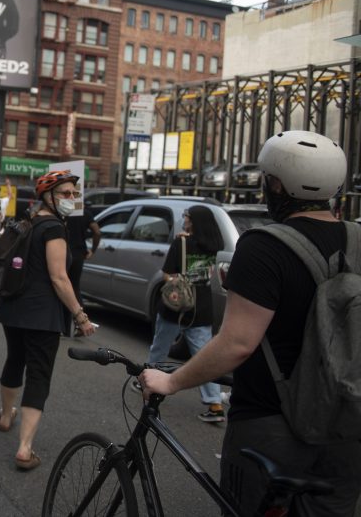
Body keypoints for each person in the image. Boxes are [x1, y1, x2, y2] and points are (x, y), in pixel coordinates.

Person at [140, 131, 361, 516]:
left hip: (270, 423)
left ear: (276, 185)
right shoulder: (358, 239)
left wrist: (171, 381)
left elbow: (237, 344)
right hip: (346, 424)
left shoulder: (264, 246)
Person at [0, 170, 95, 471]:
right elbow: (59, 278)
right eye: (65, 193)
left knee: (15, 360)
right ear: (48, 196)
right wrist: (80, 315)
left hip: (13, 308)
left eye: (74, 194)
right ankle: (24, 449)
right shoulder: (54, 228)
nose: (71, 199)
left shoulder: (30, 221)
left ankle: (5, 416)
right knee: (38, 374)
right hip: (42, 314)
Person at [144, 205, 226, 422]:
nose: (184, 219)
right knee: (204, 355)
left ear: (194, 221)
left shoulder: (180, 243)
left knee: (160, 346)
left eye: (186, 216)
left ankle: (147, 382)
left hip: (176, 305)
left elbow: (167, 274)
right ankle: (215, 402)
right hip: (201, 307)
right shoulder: (215, 244)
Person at [64, 209, 101, 307]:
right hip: (78, 254)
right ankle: (79, 313)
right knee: (75, 286)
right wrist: (93, 250)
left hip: (62, 253)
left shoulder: (62, 211)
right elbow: (97, 232)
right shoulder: (85, 213)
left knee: (61, 284)